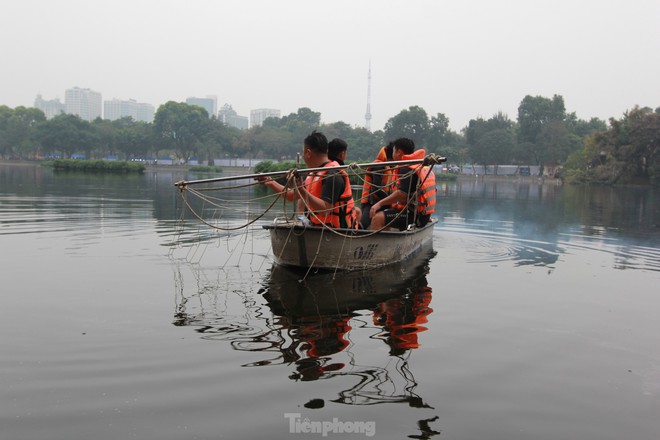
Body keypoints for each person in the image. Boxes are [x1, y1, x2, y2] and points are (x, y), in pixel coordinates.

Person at [259, 130, 358, 229]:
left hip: (338, 232)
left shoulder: (333, 174)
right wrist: (270, 182)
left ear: (308, 152)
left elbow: (325, 210)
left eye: (303, 152)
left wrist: (301, 189)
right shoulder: (314, 174)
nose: (303, 156)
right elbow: (291, 196)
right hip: (319, 229)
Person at [368, 138, 436, 231]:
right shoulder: (418, 165)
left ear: (398, 152)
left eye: (393, 151)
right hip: (423, 215)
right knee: (386, 214)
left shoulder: (406, 168)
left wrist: (379, 204)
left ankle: (376, 245)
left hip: (415, 216)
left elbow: (402, 194)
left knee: (378, 218)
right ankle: (388, 240)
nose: (392, 154)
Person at [359, 142, 395, 229]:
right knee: (363, 225)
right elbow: (376, 188)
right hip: (370, 203)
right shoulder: (378, 166)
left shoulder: (388, 166)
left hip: (381, 202)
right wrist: (390, 201)